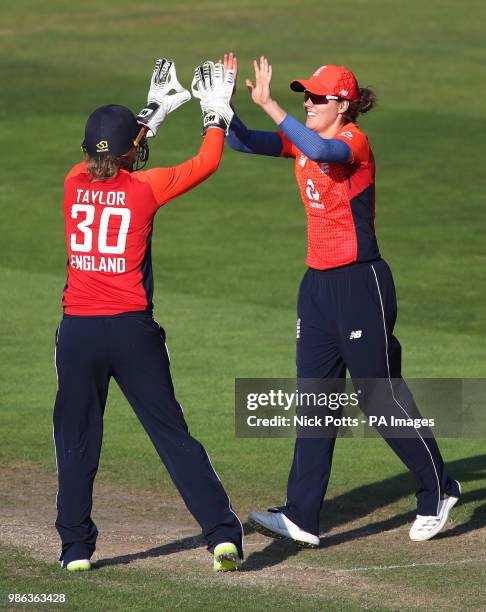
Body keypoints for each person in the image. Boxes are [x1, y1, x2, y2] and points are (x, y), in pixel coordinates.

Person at [225, 55, 461, 546]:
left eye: (315, 96)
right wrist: (216, 108)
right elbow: (243, 141)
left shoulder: (353, 141)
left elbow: (320, 149)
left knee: (379, 396)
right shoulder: (302, 136)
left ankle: (438, 489)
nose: (306, 102)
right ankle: (302, 515)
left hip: (361, 284)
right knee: (315, 400)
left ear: (343, 105)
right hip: (317, 288)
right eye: (303, 96)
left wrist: (271, 105)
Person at [53, 56, 243, 572]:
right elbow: (205, 164)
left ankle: (75, 550)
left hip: (78, 335)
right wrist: (214, 114)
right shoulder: (146, 188)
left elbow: (117, 151)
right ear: (132, 151)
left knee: (76, 441)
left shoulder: (73, 181)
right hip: (131, 331)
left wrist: (154, 111)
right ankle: (222, 537)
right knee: (172, 436)